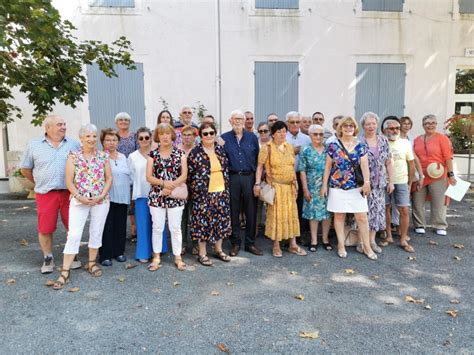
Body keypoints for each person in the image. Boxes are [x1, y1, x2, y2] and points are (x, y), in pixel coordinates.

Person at [52, 124, 112, 290]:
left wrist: (101, 195)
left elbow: (109, 178)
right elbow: (69, 181)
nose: (91, 139)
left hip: (101, 200)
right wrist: (80, 196)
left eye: (94, 136)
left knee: (96, 230)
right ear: (81, 139)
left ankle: (91, 263)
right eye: (88, 136)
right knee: (74, 234)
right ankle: (65, 270)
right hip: (79, 201)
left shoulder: (103, 156)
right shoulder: (73, 156)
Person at [20, 115, 81, 274]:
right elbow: (25, 169)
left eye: (64, 124)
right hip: (46, 193)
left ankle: (72, 254)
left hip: (70, 193)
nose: (63, 127)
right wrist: (39, 182)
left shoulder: (74, 144)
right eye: (59, 124)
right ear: (48, 128)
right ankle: (48, 257)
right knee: (45, 228)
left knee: (73, 226)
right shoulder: (34, 145)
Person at [321, 116, 376, 260]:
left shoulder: (361, 146)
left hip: (356, 187)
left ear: (355, 128)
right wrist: (324, 186)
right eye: (345, 126)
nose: (348, 128)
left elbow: (364, 165)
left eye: (351, 126)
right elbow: (328, 167)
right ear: (341, 129)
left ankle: (367, 246)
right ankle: (341, 245)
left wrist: (367, 182)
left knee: (362, 217)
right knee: (339, 216)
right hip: (337, 187)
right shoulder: (333, 146)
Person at [254, 121, 306, 257]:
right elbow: (260, 167)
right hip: (275, 187)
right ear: (273, 134)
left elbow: (291, 166)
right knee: (276, 216)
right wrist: (257, 184)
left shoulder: (289, 147)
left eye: (284, 131)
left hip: (290, 187)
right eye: (279, 132)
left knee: (291, 215)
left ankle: (293, 244)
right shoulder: (267, 147)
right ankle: (276, 245)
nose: (282, 134)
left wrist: (296, 183)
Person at [187, 122, 232, 266]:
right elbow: (189, 175)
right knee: (202, 223)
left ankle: (218, 250)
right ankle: (202, 253)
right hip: (202, 194)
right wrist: (195, 191)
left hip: (221, 192)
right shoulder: (195, 152)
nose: (209, 136)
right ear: (200, 136)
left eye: (211, 133)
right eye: (205, 133)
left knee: (221, 221)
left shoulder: (220, 150)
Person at [146, 124, 188, 271]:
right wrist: (164, 184)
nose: (164, 136)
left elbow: (184, 175)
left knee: (175, 228)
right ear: (157, 136)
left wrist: (169, 188)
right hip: (157, 196)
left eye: (167, 133)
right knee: (157, 227)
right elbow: (149, 177)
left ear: (172, 136)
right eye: (161, 133)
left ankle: (178, 257)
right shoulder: (152, 154)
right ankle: (156, 257)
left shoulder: (180, 153)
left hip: (175, 196)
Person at [221, 110, 263, 256]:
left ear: (244, 121)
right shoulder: (223, 138)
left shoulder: (252, 138)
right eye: (235, 119)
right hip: (232, 178)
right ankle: (235, 243)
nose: (238, 121)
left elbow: (258, 160)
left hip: (249, 177)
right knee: (233, 210)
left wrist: (257, 182)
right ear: (230, 121)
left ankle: (250, 243)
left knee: (251, 210)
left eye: (240, 119)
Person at [412, 114, 456, 236]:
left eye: (432, 123)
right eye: (427, 123)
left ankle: (439, 225)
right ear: (423, 125)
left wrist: (451, 174)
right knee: (417, 200)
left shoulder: (442, 139)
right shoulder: (417, 140)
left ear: (436, 124)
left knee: (439, 201)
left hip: (438, 174)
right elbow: (413, 157)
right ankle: (419, 224)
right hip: (420, 174)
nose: (430, 125)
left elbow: (448, 157)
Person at [128, 127, 168, 263]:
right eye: (141, 138)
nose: (144, 140)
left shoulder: (157, 154)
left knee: (158, 223)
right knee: (143, 224)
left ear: (151, 138)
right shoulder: (132, 157)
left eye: (147, 137)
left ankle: (159, 249)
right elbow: (132, 176)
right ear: (137, 140)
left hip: (157, 193)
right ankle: (143, 253)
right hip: (141, 194)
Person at [359, 112, 394, 253]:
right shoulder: (358, 141)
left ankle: (372, 241)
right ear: (363, 126)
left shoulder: (383, 140)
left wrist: (391, 181)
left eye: (373, 123)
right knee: (362, 213)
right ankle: (361, 242)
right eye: (368, 124)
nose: (371, 126)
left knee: (375, 213)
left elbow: (389, 162)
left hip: (379, 184)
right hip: (363, 184)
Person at [382, 117, 415, 252]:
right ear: (385, 130)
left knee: (404, 210)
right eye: (391, 128)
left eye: (397, 128)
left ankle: (403, 238)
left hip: (401, 180)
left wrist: (410, 182)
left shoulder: (405, 143)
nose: (395, 130)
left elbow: (411, 163)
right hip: (384, 181)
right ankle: (388, 236)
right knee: (386, 208)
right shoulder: (381, 143)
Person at [98, 129, 130, 266]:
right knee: (107, 226)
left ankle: (119, 252)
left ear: (118, 142)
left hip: (123, 196)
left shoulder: (123, 157)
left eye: (114, 140)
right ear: (103, 142)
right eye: (108, 140)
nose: (111, 143)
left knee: (121, 225)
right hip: (107, 197)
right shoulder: (100, 157)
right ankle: (105, 254)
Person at [298, 124, 332, 252]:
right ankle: (314, 240)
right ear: (310, 135)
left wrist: (325, 185)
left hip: (327, 184)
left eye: (321, 134)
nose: (318, 136)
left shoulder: (328, 149)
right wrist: (305, 189)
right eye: (315, 134)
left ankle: (325, 239)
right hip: (311, 185)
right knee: (313, 214)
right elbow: (302, 170)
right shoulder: (305, 149)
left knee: (327, 213)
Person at [285, 111, 311, 235]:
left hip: (302, 176)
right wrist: (291, 152)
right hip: (286, 177)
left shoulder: (306, 139)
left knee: (301, 204)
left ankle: (300, 234)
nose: (295, 124)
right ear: (287, 123)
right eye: (292, 122)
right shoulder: (281, 137)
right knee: (288, 206)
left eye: (297, 122)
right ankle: (287, 234)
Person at [115, 112, 137, 242]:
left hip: (133, 172)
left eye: (126, 120)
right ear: (116, 123)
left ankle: (135, 231)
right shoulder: (113, 136)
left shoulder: (134, 136)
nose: (123, 122)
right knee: (121, 202)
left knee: (133, 203)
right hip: (118, 174)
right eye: (120, 120)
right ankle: (120, 232)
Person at [177, 125, 198, 255]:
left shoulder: (198, 150)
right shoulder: (177, 150)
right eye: (184, 135)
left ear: (194, 136)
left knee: (195, 215)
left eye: (189, 134)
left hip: (196, 186)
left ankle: (196, 244)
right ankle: (183, 243)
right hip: (181, 186)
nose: (187, 137)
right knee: (182, 216)